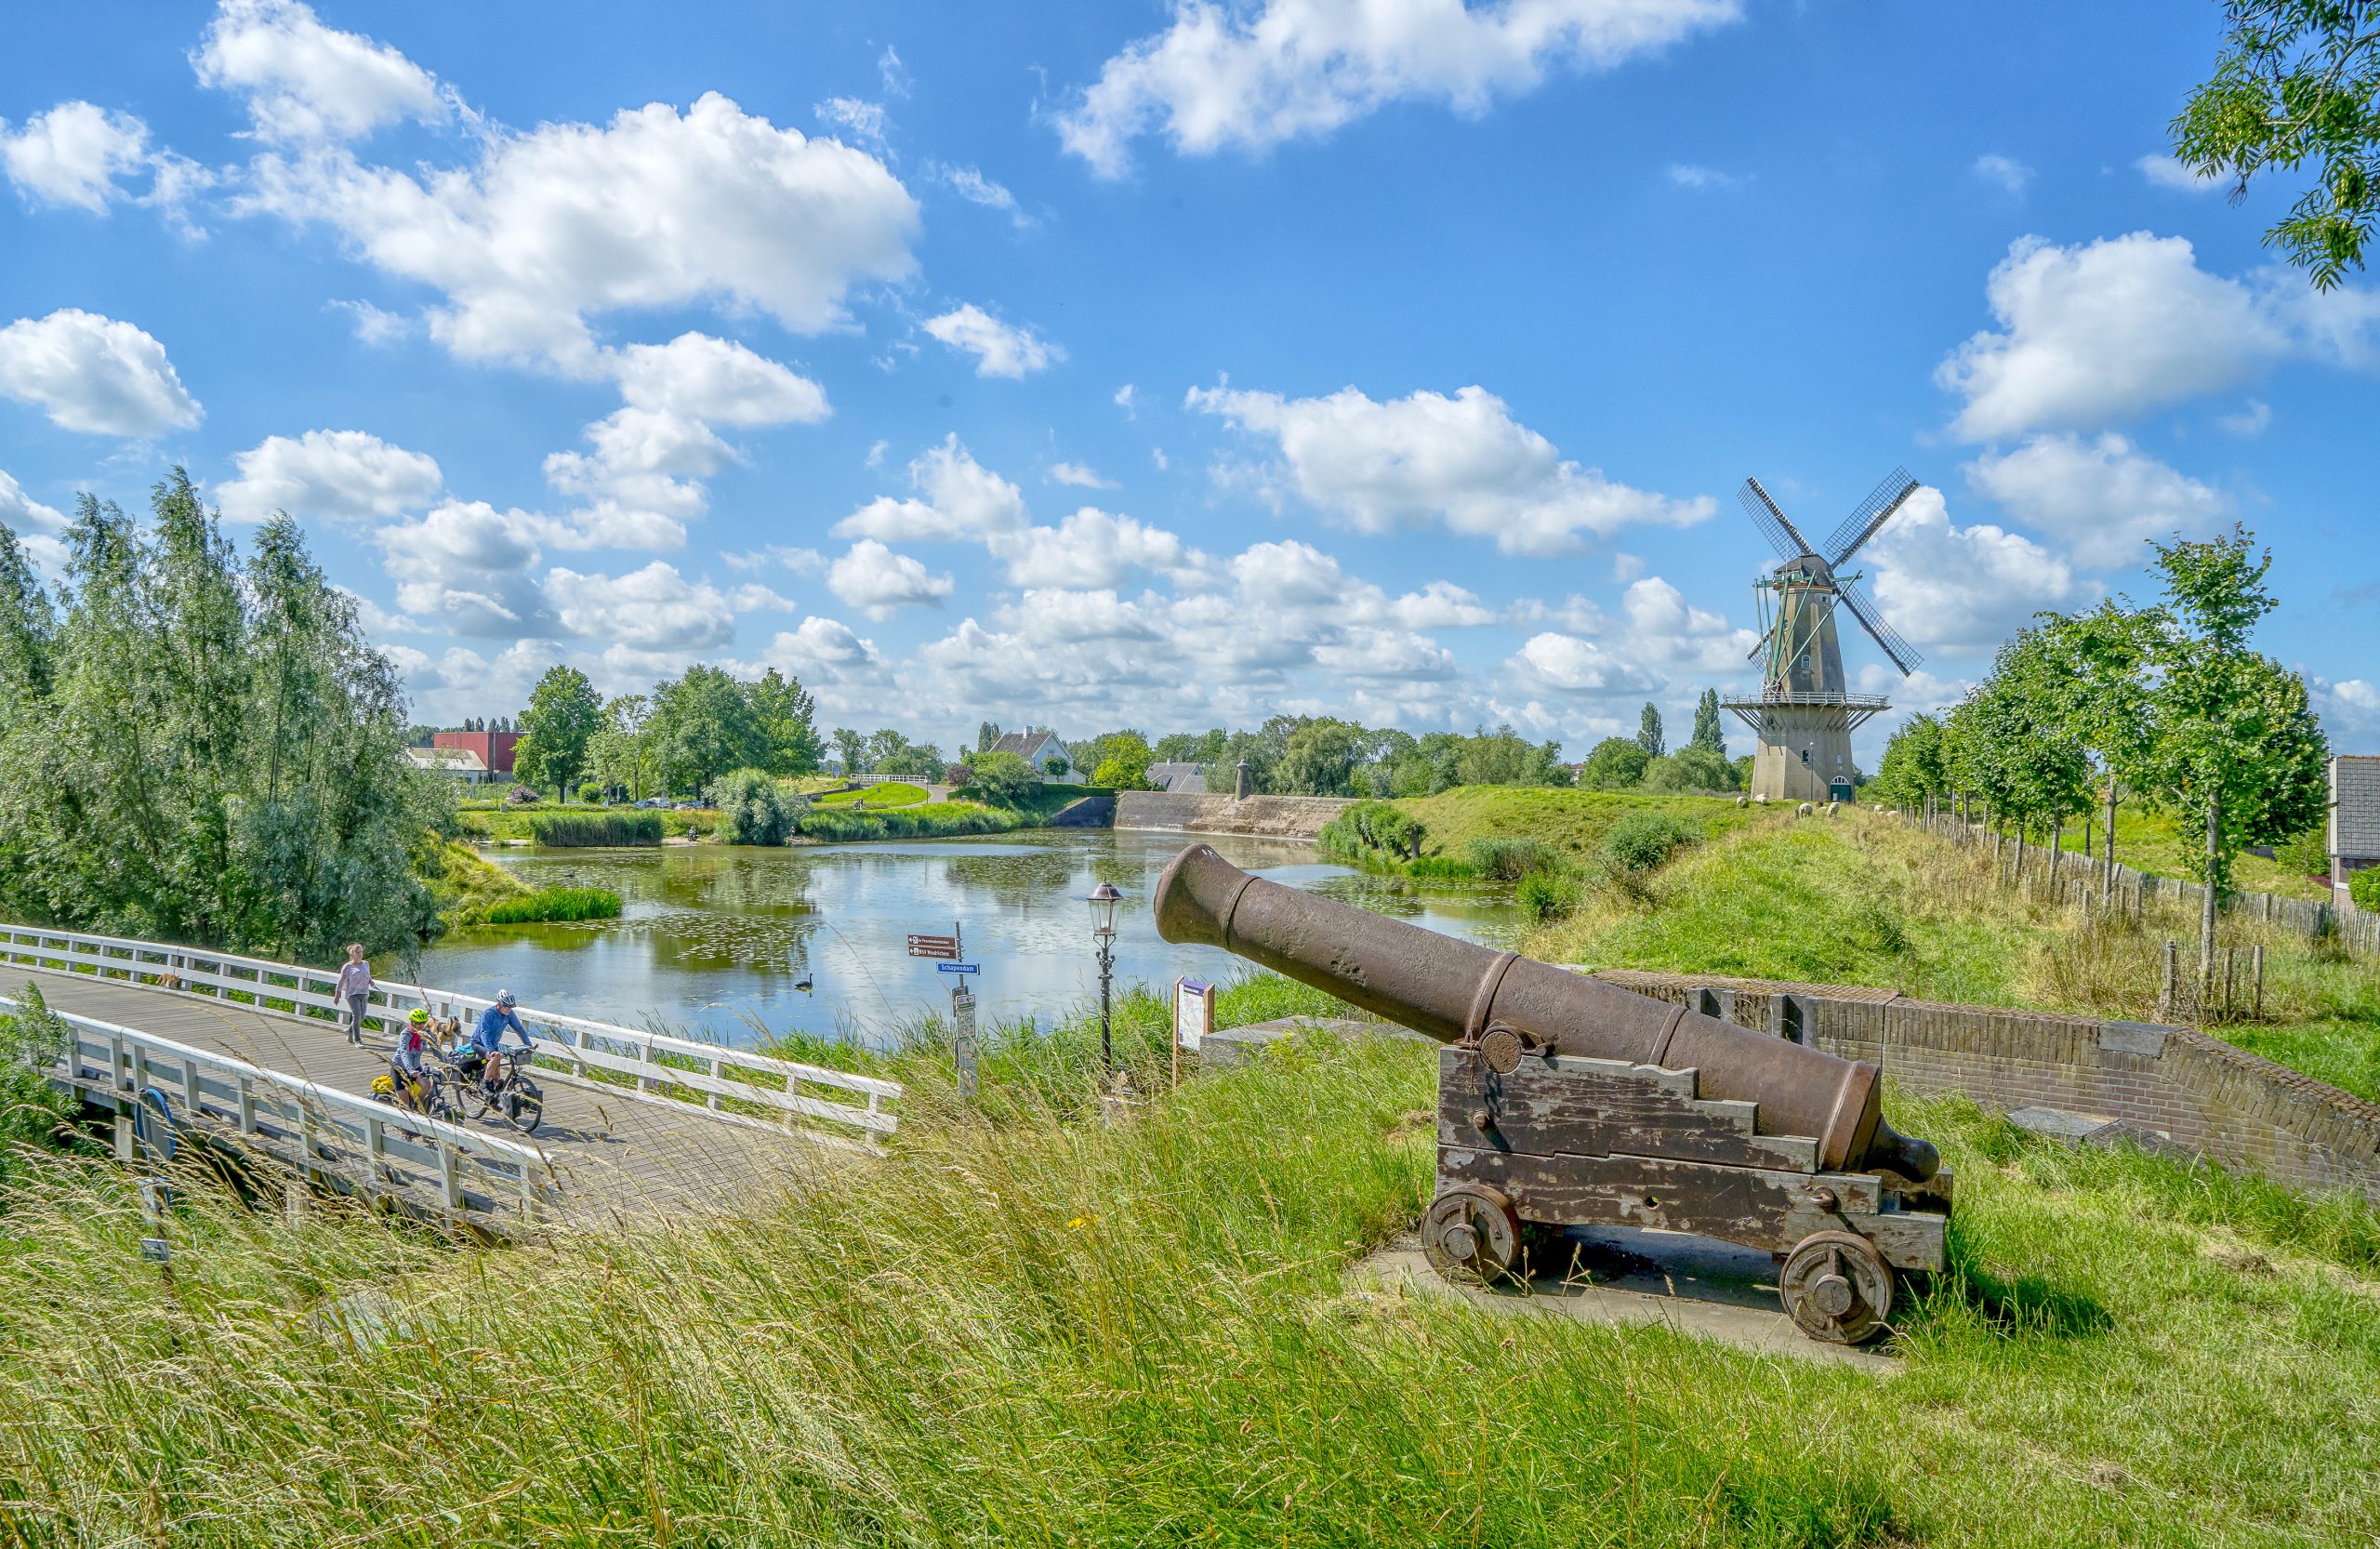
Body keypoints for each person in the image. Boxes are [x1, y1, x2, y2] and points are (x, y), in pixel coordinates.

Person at [456, 990, 531, 1093]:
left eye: (510, 1007)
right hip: (478, 1043)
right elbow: (484, 1033)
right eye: (506, 1007)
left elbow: (519, 1028)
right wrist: (491, 1050)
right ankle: (484, 1084)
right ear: (499, 1004)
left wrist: (528, 1045)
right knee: (494, 1058)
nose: (508, 1009)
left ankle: (493, 1099)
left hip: (493, 1045)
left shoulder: (509, 1014)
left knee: (496, 1075)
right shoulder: (489, 1013)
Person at [391, 1007, 432, 1111]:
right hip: (400, 1067)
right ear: (412, 1022)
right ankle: (403, 1125)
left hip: (415, 1066)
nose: (422, 1026)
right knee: (404, 1103)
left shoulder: (425, 1032)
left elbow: (435, 1047)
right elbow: (404, 1053)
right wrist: (410, 1070)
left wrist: (447, 1061)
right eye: (419, 1023)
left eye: (423, 1022)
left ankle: (417, 1107)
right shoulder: (405, 1035)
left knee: (427, 1086)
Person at [336, 945, 372, 1044]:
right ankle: (358, 1040)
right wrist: (337, 994)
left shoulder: (366, 964)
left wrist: (371, 982)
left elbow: (368, 975)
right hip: (352, 994)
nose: (360, 954)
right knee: (356, 1015)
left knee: (362, 1016)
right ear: (353, 954)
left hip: (364, 993)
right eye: (358, 952)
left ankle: (349, 1030)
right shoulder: (347, 967)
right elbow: (341, 981)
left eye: (361, 952)